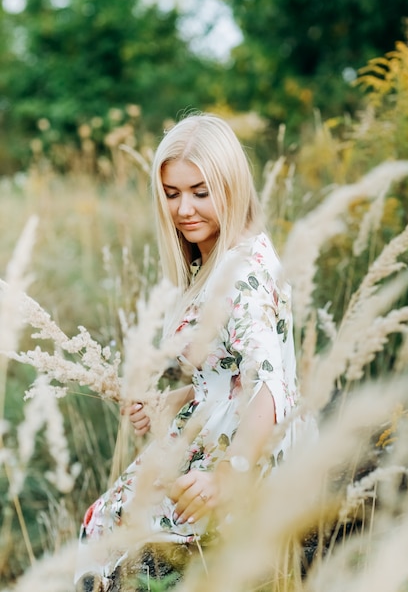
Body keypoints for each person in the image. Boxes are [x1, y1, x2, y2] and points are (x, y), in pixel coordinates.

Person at [74, 113, 299, 591]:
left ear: (232, 185)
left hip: (240, 452)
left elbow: (269, 384)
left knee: (115, 542)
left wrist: (227, 475)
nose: (184, 209)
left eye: (200, 191)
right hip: (207, 434)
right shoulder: (211, 259)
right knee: (101, 525)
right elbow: (224, 378)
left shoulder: (244, 271)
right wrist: (168, 403)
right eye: (172, 193)